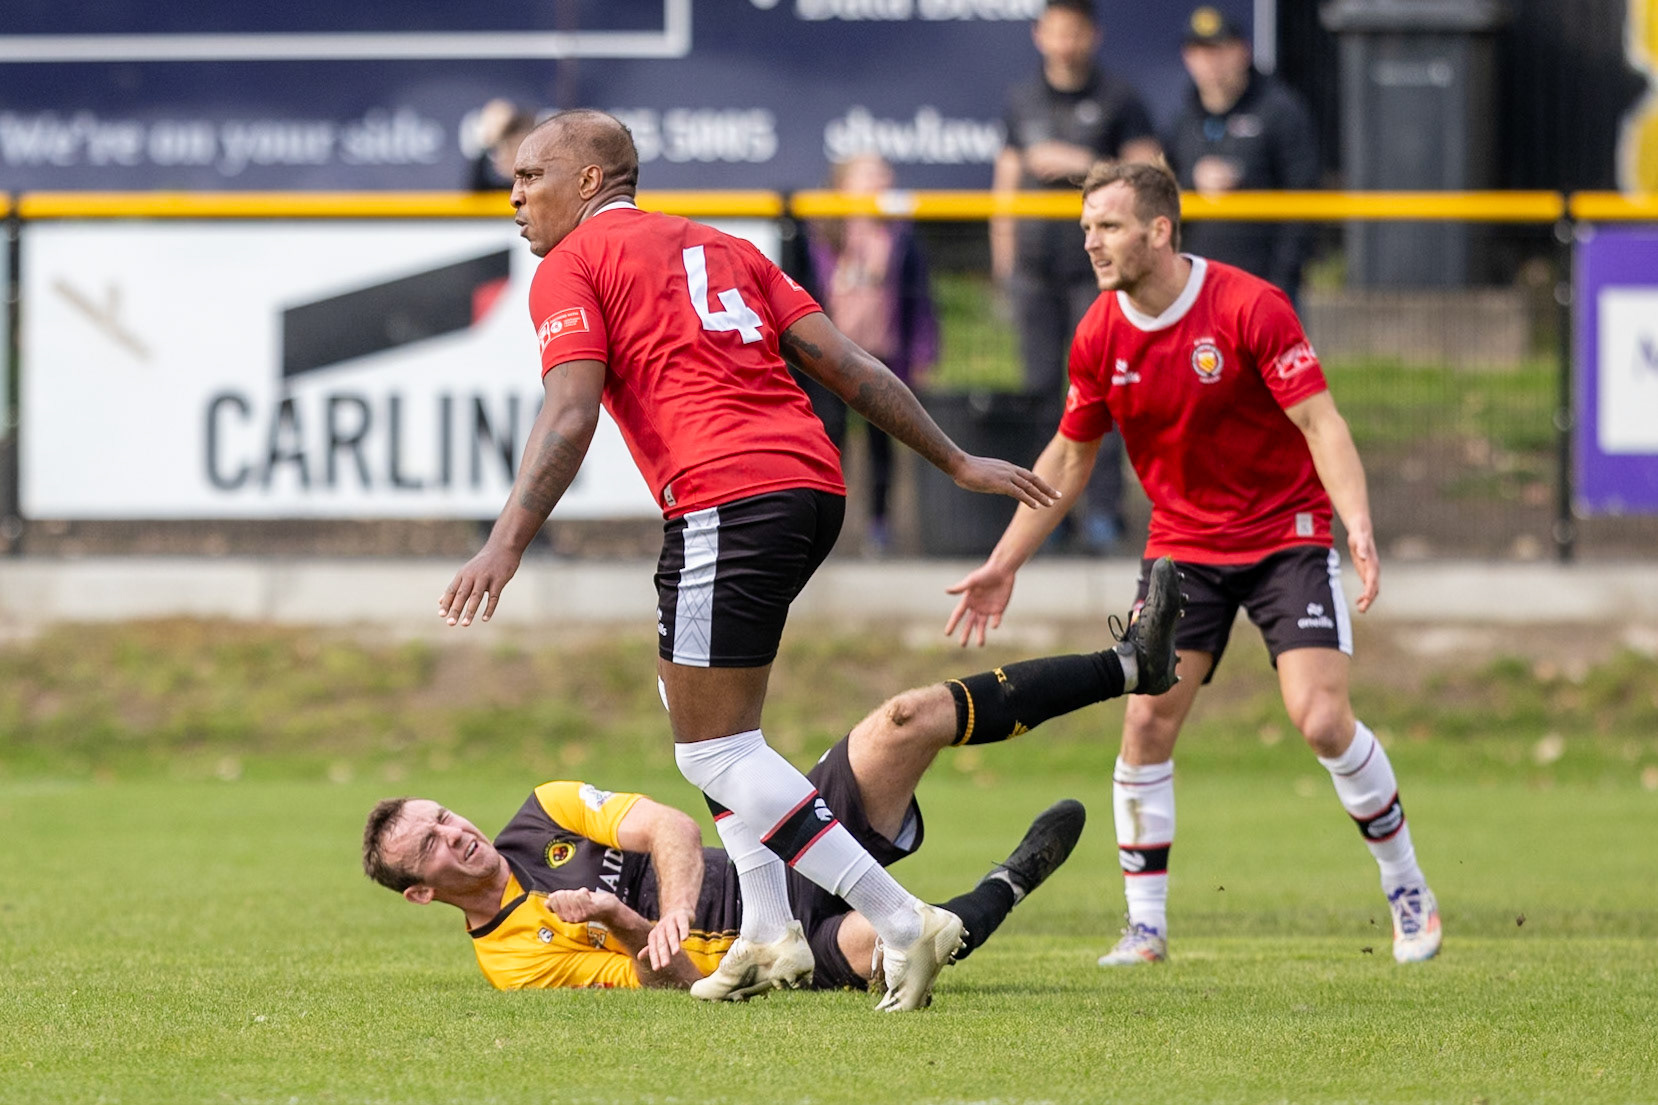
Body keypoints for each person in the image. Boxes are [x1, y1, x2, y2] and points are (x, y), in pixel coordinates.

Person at [437, 109, 1059, 1012]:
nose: (516, 194)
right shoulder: (723, 245)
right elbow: (847, 365)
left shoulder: (575, 263)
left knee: (716, 748)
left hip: (725, 495)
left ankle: (898, 917)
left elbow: (570, 415)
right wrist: (953, 459)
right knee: (692, 710)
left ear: (588, 180)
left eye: (531, 175)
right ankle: (769, 931)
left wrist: (503, 541)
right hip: (811, 486)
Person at [945, 160, 1442, 968]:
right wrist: (1005, 562)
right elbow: (1069, 461)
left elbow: (1321, 422)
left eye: (1106, 226)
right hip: (1183, 547)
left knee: (1319, 717)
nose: (1091, 242)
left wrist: (1357, 524)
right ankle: (1145, 928)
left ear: (1159, 230)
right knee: (1145, 719)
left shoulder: (1248, 306)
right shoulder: (1100, 332)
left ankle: (1406, 883)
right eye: (1085, 228)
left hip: (1287, 531)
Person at [367, 559, 1181, 996]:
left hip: (774, 842)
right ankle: (1011, 879)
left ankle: (1125, 663)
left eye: (443, 815)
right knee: (894, 943)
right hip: (764, 954)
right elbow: (676, 982)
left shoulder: (541, 814)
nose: (457, 833)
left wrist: (672, 905)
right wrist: (620, 914)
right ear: (421, 893)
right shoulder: (511, 964)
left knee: (902, 719)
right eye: (432, 845)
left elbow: (671, 826)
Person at [993, 0, 1161, 553]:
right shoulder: (1021, 97)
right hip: (1035, 270)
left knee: (1103, 391)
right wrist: (1003, 258)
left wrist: (1081, 162)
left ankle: (1103, 513)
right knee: (1043, 391)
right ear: (1041, 36)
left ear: (1092, 36)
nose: (1065, 43)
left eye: (1076, 32)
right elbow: (1007, 183)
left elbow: (1151, 179)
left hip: (1100, 273)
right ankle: (1049, 511)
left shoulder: (1120, 98)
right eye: (1056, 32)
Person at [801, 152, 940, 555]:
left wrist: (923, 352)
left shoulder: (899, 234)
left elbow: (920, 301)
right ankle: (818, 524)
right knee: (827, 440)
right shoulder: (819, 228)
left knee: (883, 446)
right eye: (869, 174)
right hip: (826, 360)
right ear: (843, 183)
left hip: (883, 357)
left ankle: (879, 525)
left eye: (885, 173)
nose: (881, 180)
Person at [1165, 6, 1320, 304]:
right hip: (1196, 283)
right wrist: (1191, 179)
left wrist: (1284, 276)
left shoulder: (1279, 111)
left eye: (1219, 51)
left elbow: (1305, 194)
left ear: (1242, 52)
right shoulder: (1182, 119)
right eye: (1199, 52)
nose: (1210, 63)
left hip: (1263, 280)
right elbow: (1160, 193)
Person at [467, 99, 539, 192]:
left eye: (517, 146)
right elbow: (475, 189)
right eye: (509, 147)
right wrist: (489, 140)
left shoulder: (540, 186)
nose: (512, 154)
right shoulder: (497, 189)